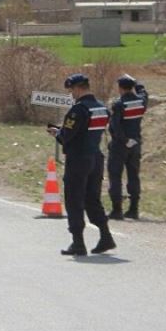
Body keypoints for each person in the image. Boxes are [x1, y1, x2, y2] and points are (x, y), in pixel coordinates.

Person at [46, 74, 116, 256]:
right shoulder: (101, 107)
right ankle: (105, 236)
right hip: (96, 157)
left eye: (71, 91)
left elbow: (67, 136)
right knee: (92, 199)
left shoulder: (78, 110)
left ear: (78, 88)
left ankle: (78, 242)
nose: (71, 95)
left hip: (78, 159)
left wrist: (57, 133)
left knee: (74, 199)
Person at [107, 74, 149, 220]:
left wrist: (124, 140)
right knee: (133, 176)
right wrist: (136, 83)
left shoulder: (119, 104)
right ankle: (133, 209)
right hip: (136, 143)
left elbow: (115, 127)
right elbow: (144, 92)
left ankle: (117, 210)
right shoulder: (141, 101)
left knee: (115, 175)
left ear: (120, 88)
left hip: (120, 145)